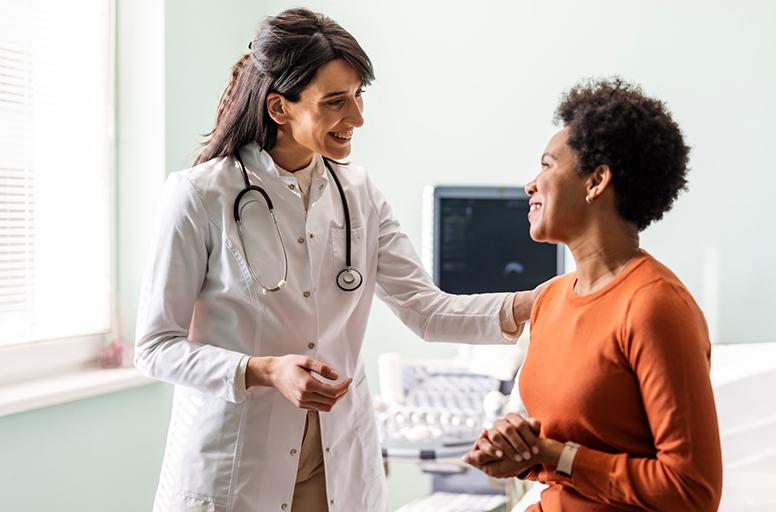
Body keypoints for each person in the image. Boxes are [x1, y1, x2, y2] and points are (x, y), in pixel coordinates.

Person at [134, 8, 542, 512]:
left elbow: (424, 309)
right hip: (238, 464)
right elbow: (155, 347)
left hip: (336, 461)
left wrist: (540, 303)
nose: (357, 117)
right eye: (335, 102)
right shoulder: (201, 194)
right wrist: (264, 370)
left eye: (358, 96)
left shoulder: (358, 192)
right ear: (279, 108)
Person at [463, 78, 723, 511]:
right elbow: (574, 443)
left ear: (597, 180)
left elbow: (692, 491)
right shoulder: (551, 300)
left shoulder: (655, 306)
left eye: (547, 166)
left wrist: (551, 456)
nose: (531, 184)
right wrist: (521, 451)